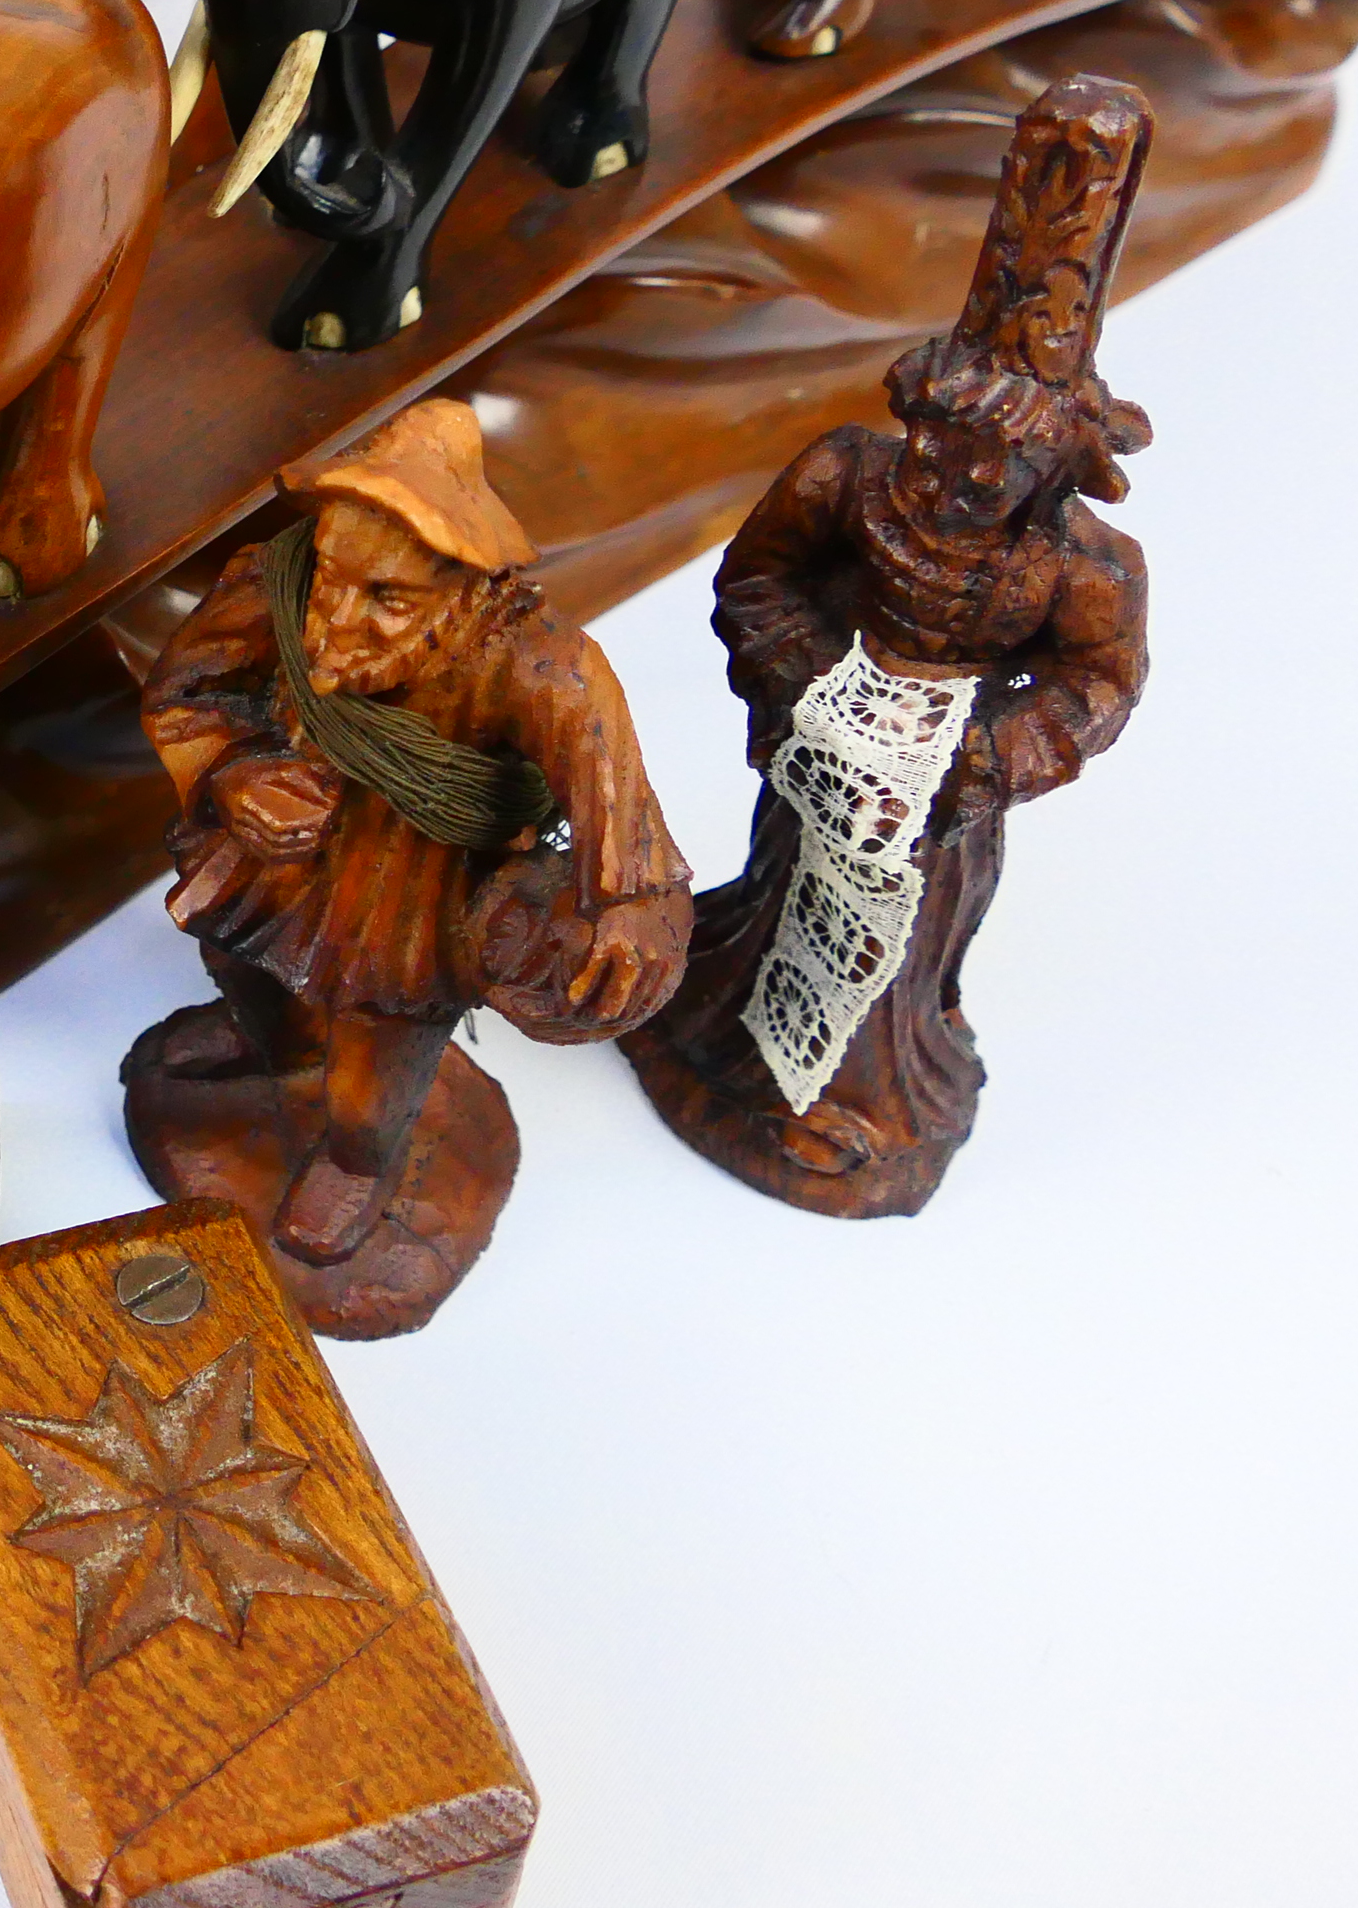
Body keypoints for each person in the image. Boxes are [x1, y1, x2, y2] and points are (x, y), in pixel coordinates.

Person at [620, 74, 1154, 1216]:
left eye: (990, 471)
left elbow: (1095, 687)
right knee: (777, 898)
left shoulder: (1078, 565)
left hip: (942, 797)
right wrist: (805, 687)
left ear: (1046, 475)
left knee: (896, 947)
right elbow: (757, 577)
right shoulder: (846, 476)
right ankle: (730, 1047)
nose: (951, 488)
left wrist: (984, 759)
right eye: (935, 452)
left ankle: (850, 1094)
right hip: (824, 745)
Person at [127, 397, 688, 1337]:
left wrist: (624, 924)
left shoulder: (542, 667)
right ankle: (273, 1045)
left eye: (389, 600)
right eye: (334, 582)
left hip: (415, 888)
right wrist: (234, 775)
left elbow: (624, 835)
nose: (336, 621)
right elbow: (190, 693)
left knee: (376, 1051)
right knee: (236, 957)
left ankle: (356, 1161)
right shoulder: (275, 582)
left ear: (467, 583)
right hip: (277, 848)